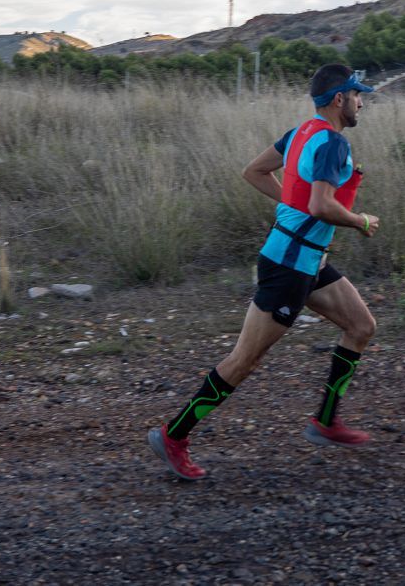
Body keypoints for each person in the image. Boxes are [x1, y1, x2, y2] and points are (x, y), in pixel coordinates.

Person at [148, 63, 381, 480]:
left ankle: (326, 421)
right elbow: (322, 206)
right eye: (359, 95)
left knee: (361, 326)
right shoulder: (332, 143)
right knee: (244, 359)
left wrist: (294, 204)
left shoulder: (301, 133)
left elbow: (254, 172)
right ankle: (173, 435)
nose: (363, 102)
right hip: (288, 268)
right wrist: (360, 220)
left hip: (310, 262)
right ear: (340, 98)